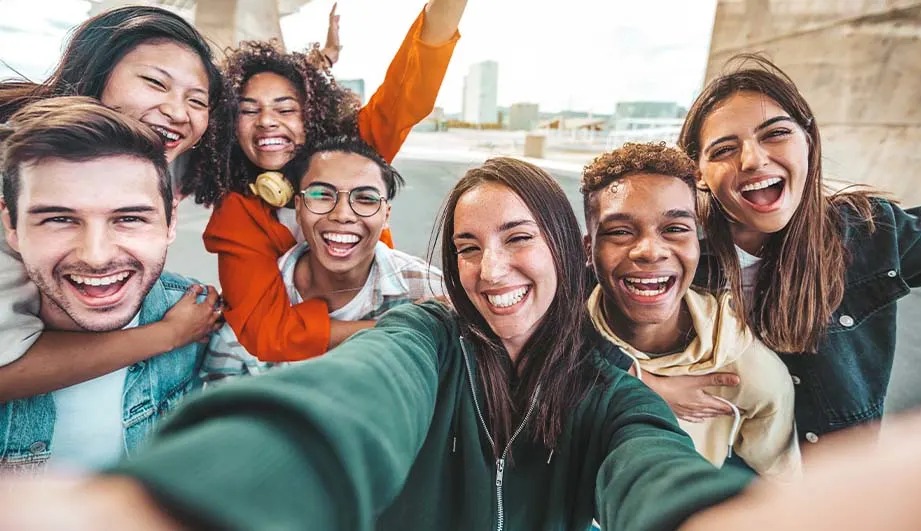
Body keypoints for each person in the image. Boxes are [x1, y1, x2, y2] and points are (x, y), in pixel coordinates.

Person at [0, 157, 754, 529]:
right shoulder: (424, 336)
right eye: (466, 246)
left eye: (517, 238)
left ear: (568, 247)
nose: (489, 271)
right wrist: (182, 501)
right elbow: (345, 403)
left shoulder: (609, 390)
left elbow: (655, 472)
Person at [651, 54, 921, 442]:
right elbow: (571, 324)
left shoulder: (869, 231)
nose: (753, 160)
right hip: (726, 486)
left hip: (837, 489)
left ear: (808, 140)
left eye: (775, 133)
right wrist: (645, 385)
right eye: (723, 150)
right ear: (698, 175)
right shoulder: (672, 254)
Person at [195, 0, 468, 363]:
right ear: (230, 125)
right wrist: (398, 325)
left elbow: (409, 93)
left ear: (312, 116)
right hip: (307, 362)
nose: (266, 122)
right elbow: (267, 333)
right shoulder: (236, 214)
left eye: (286, 109)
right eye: (248, 110)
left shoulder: (352, 156)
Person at [0, 6, 225, 402]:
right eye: (155, 82)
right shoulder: (18, 170)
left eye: (197, 100)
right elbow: (7, 368)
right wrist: (169, 334)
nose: (177, 112)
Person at [0, 97, 215, 472]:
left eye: (129, 218)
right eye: (58, 219)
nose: (96, 256)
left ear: (171, 221)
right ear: (11, 227)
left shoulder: (198, 312)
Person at [581, 142, 800, 480]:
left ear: (697, 243)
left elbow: (781, 487)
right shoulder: (552, 336)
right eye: (621, 232)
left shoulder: (751, 375)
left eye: (675, 229)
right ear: (588, 249)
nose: (651, 252)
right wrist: (641, 383)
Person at [202, 137, 444, 380]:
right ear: (298, 208)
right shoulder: (246, 321)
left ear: (386, 215)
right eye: (321, 195)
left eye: (366, 199)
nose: (342, 215)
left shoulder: (433, 294)